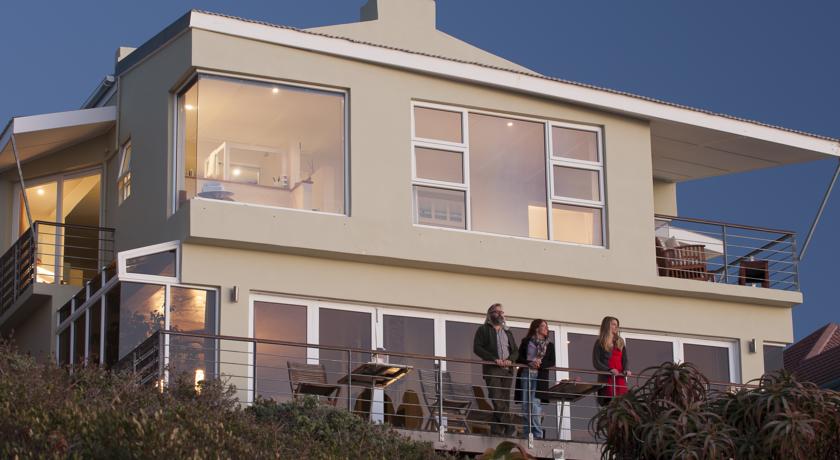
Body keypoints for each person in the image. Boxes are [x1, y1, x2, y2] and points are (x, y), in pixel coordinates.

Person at [473, 303, 518, 436]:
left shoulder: (508, 332)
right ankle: (509, 425)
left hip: (508, 370)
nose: (500, 314)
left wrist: (511, 360)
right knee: (496, 397)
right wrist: (493, 359)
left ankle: (496, 431)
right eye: (497, 312)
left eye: (501, 312)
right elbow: (477, 348)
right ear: (490, 314)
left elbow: (516, 351)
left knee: (504, 401)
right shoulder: (483, 330)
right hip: (492, 369)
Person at [514, 319, 556, 439]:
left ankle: (537, 434)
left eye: (547, 326)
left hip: (540, 376)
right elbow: (518, 358)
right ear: (536, 328)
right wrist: (529, 362)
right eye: (543, 326)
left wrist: (539, 364)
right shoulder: (526, 341)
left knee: (535, 405)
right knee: (526, 405)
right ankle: (527, 433)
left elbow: (551, 361)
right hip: (526, 374)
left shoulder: (550, 345)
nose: (546, 328)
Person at [592, 316, 631, 406]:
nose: (616, 327)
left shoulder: (620, 341)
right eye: (613, 324)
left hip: (620, 377)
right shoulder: (600, 342)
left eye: (617, 325)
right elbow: (596, 362)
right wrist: (609, 370)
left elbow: (625, 359)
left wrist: (626, 369)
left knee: (623, 403)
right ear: (607, 326)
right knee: (609, 403)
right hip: (607, 377)